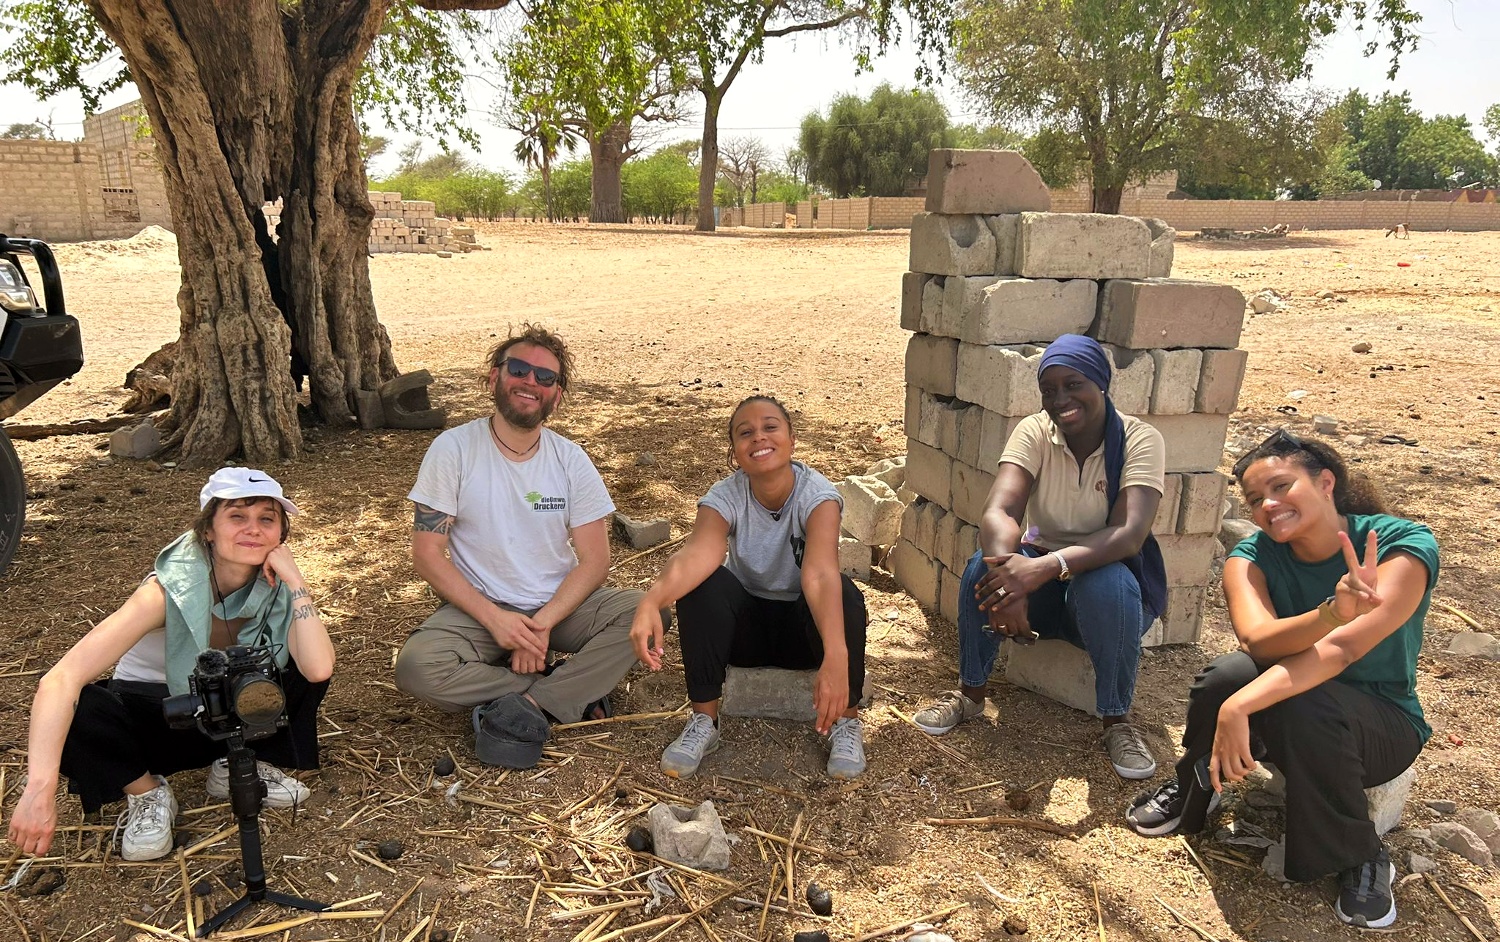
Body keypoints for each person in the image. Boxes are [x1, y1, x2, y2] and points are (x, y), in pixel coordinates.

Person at [1127, 430, 1437, 929]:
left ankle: (1359, 853)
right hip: (1291, 709)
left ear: (1326, 482)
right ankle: (1194, 786)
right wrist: (1332, 611)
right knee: (1225, 675)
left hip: (1380, 726)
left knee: (1298, 702)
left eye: (1281, 486)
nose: (1269, 505)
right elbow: (1259, 641)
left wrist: (1241, 708)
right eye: (1255, 499)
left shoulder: (1401, 544)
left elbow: (1344, 648)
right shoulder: (1252, 556)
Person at [6, 469, 334, 863]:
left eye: (267, 518)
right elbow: (60, 679)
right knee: (84, 707)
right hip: (159, 714)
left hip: (226, 713)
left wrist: (296, 582)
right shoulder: (165, 591)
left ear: (281, 534)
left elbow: (317, 670)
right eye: (236, 516)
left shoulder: (275, 587)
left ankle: (233, 764)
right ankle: (147, 793)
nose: (253, 529)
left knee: (299, 655)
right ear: (208, 530)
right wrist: (38, 788)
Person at [911, 334, 1167, 780]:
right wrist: (1008, 580)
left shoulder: (1138, 440)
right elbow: (1001, 509)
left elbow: (1128, 534)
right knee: (981, 568)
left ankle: (1116, 722)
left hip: (1108, 587)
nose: (1060, 399)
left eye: (1074, 384)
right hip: (1042, 583)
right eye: (1049, 390)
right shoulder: (1035, 431)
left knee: (1105, 583)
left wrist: (1039, 569)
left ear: (1102, 384)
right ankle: (970, 695)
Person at [395, 324, 651, 768]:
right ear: (494, 377)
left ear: (557, 394)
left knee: (645, 611)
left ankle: (531, 702)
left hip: (559, 605)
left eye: (545, 377)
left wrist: (541, 627)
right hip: (480, 607)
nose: (531, 382)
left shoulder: (571, 460)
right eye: (519, 369)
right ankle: (561, 690)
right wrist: (498, 622)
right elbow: (427, 554)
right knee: (417, 667)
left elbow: (595, 562)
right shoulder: (453, 449)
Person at [630, 395, 867, 781]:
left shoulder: (817, 495)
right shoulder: (725, 495)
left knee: (843, 591)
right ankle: (704, 722)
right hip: (747, 633)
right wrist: (652, 600)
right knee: (703, 585)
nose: (759, 437)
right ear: (735, 452)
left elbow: (820, 574)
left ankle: (846, 722)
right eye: (745, 432)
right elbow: (698, 555)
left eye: (770, 427)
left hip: (804, 631)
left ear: (791, 439)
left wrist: (836, 655)